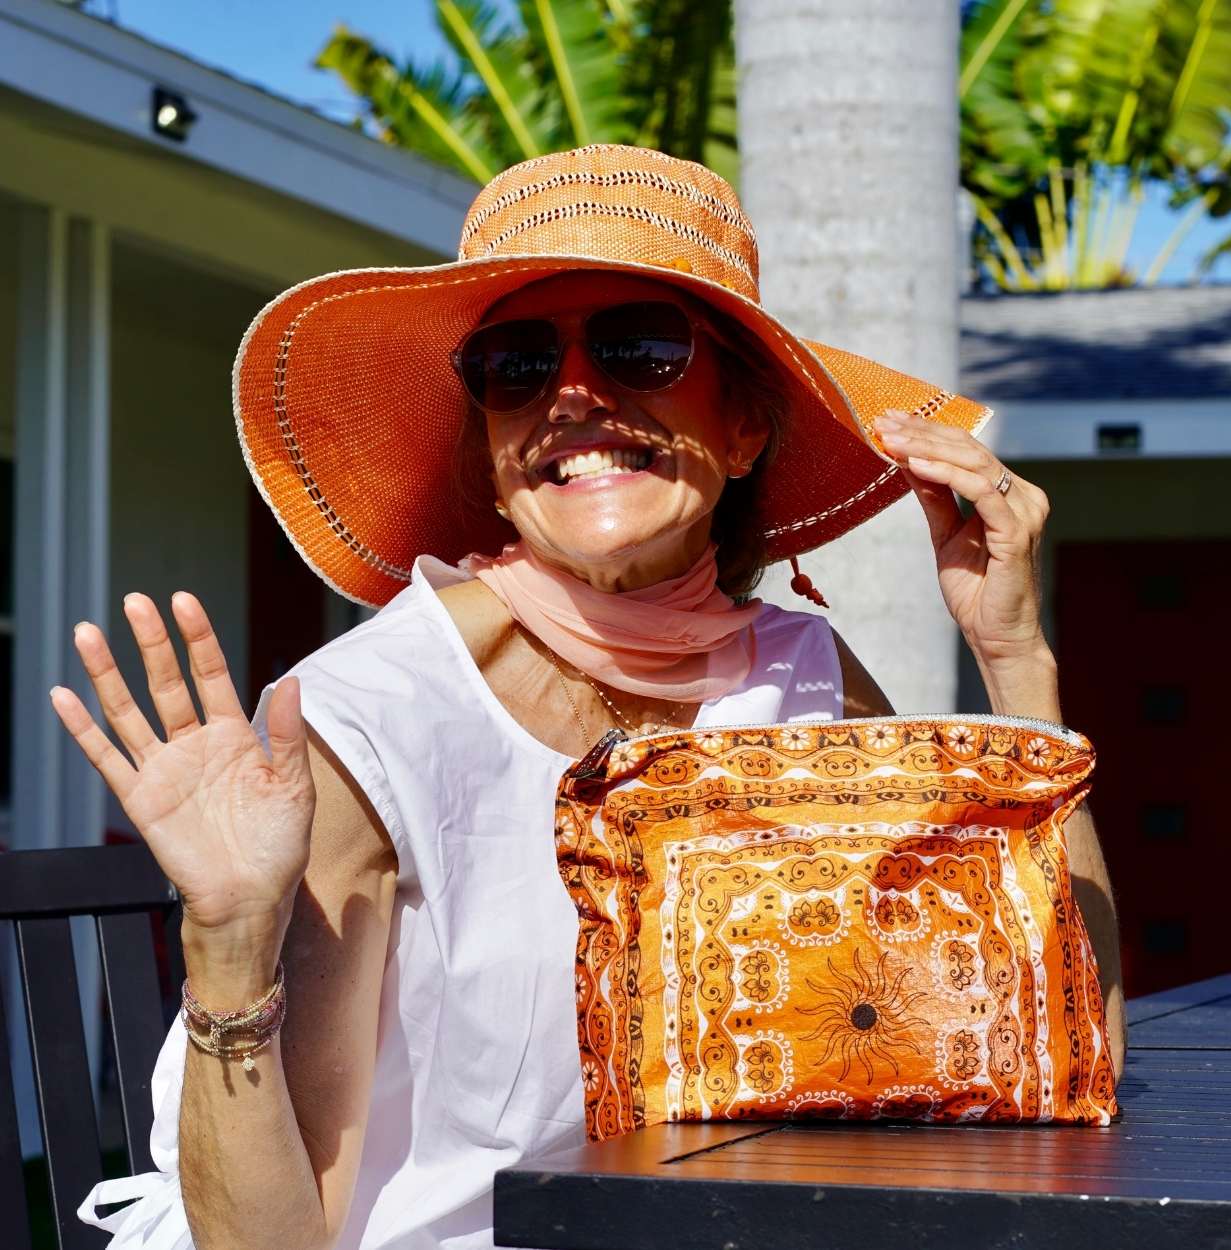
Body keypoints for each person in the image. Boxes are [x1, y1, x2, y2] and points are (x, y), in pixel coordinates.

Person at [57, 145, 1125, 1250]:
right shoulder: (372, 715)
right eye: (516, 364)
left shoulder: (803, 678)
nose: (571, 396)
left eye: (639, 347)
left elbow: (1052, 1049)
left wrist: (1013, 658)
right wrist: (229, 945)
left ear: (744, 428)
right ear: (491, 448)